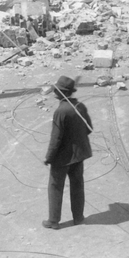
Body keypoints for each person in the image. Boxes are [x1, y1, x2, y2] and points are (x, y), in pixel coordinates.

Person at [43, 75, 93, 229]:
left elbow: (55, 139)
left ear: (61, 93)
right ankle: (78, 217)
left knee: (55, 186)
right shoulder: (80, 107)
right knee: (77, 185)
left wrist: (49, 157)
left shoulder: (61, 111)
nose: (54, 92)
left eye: (56, 90)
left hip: (62, 159)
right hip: (79, 155)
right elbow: (89, 128)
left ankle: (53, 221)